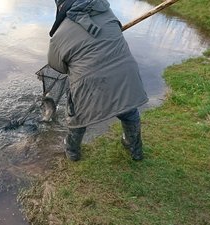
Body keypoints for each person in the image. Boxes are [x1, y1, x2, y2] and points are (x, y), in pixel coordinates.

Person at [47, 0, 148, 161]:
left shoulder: (58, 35)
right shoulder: (107, 12)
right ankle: (134, 147)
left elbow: (58, 67)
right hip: (126, 76)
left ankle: (72, 151)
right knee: (128, 110)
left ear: (60, 7)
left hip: (88, 84)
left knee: (78, 116)